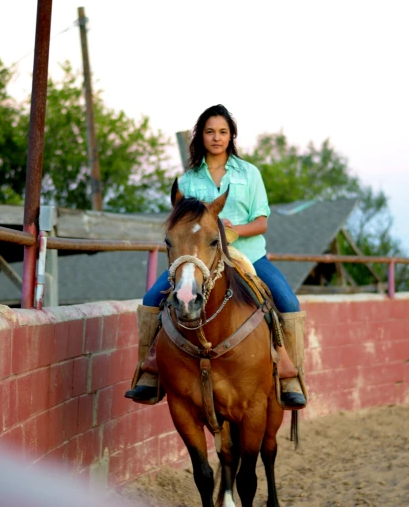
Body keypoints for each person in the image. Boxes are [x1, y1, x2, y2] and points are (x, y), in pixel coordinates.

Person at [125, 104, 307, 410]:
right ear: (201, 137)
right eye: (210, 132)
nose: (216, 137)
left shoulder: (249, 173)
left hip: (246, 254)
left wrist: (233, 229)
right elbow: (180, 224)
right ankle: (150, 371)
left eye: (223, 132)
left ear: (231, 136)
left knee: (288, 301)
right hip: (197, 257)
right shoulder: (187, 180)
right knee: (151, 299)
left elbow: (262, 222)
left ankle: (290, 374)